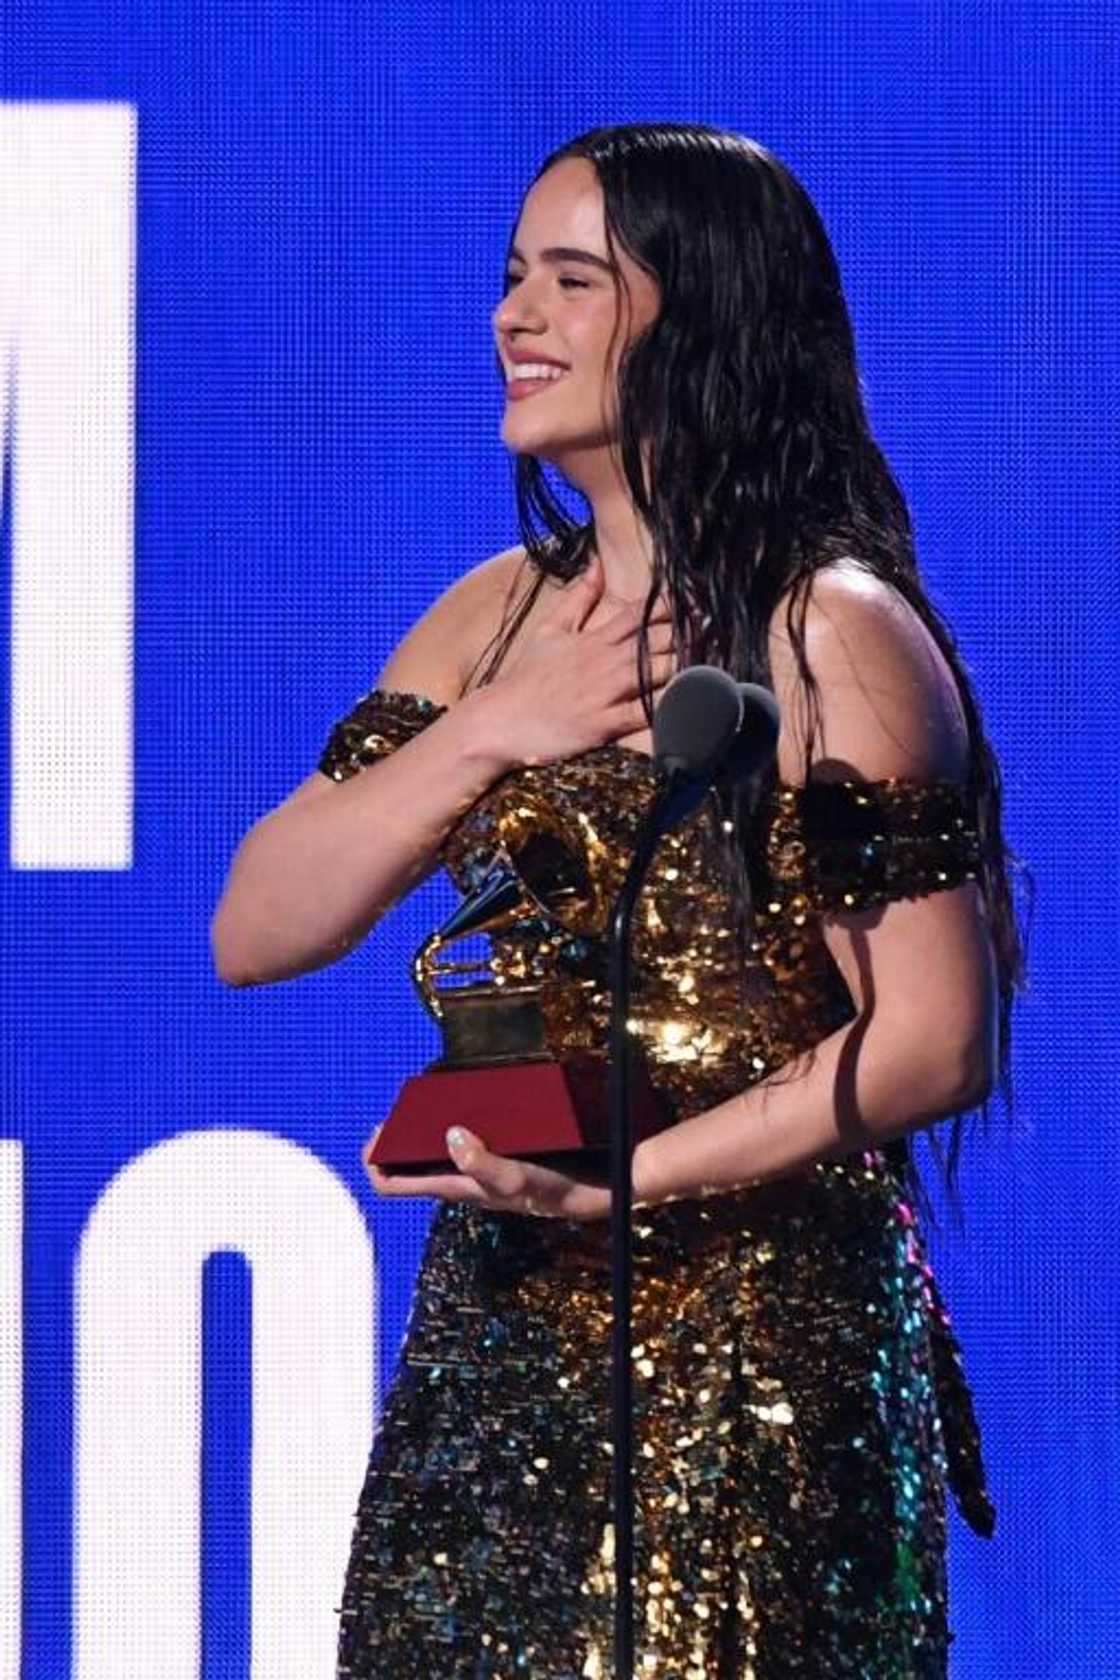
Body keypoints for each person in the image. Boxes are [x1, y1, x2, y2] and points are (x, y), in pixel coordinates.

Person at [211, 124, 1025, 1678]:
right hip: (500, 1346)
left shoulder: (828, 632)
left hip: (747, 1360)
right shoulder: (491, 618)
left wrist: (632, 1182)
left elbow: (933, 1039)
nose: (515, 316)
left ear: (702, 315)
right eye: (514, 275)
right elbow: (256, 926)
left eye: (574, 280)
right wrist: (492, 730)